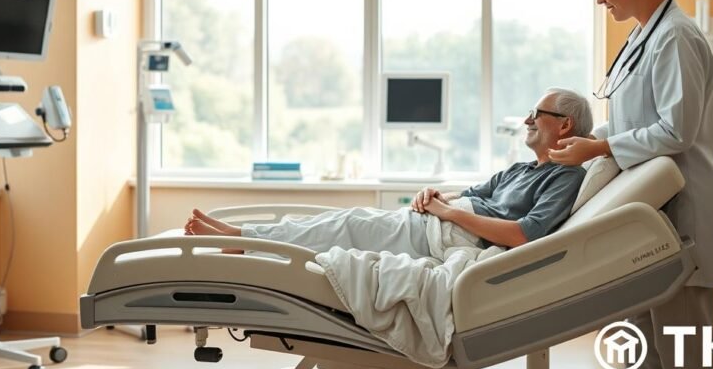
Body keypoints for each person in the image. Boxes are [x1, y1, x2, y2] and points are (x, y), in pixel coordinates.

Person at [548, 0, 713, 369]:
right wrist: (586, 140)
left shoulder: (676, 39)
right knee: (641, 353)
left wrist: (601, 149)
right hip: (646, 215)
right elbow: (631, 120)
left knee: (685, 367)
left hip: (682, 214)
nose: (599, 0)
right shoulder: (643, 35)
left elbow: (675, 131)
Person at [184, 88, 594, 258]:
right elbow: (467, 192)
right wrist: (435, 196)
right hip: (439, 222)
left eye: (536, 114)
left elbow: (524, 234)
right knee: (337, 222)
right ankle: (242, 239)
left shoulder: (566, 177)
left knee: (344, 224)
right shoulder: (521, 168)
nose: (526, 119)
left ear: (564, 125)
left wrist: (448, 213)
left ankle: (241, 242)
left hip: (451, 233)